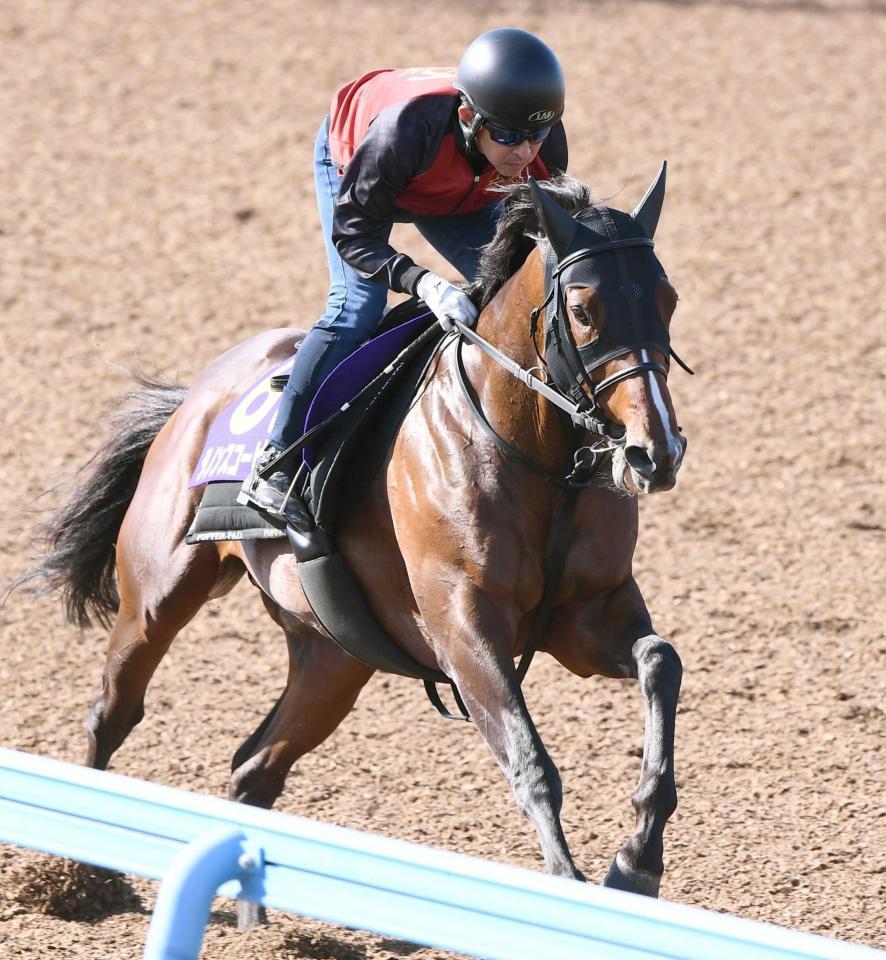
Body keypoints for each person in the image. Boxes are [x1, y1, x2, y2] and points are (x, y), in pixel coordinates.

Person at [243, 27, 568, 524]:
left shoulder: (541, 141)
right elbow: (353, 237)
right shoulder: (403, 130)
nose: (523, 153)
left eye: (535, 136)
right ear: (468, 117)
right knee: (358, 305)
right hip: (361, 159)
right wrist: (425, 282)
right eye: (505, 136)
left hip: (453, 186)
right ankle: (274, 463)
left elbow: (541, 244)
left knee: (513, 285)